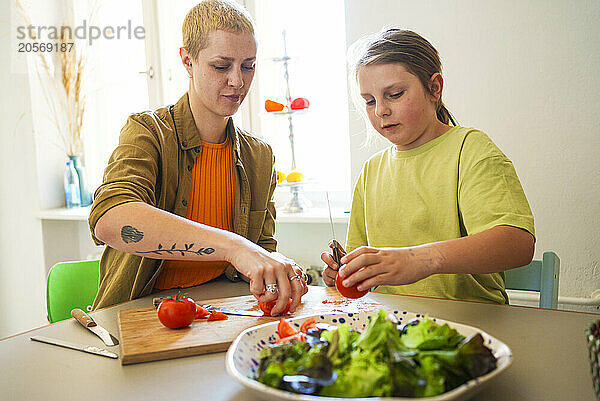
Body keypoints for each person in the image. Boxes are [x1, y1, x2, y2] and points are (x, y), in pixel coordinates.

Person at [89, 0, 307, 315]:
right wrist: (235, 246)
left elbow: (260, 254)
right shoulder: (147, 132)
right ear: (187, 61)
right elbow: (109, 219)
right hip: (136, 317)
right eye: (222, 66)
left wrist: (277, 271)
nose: (238, 81)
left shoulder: (260, 156)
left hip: (222, 314)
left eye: (248, 65)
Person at [321, 29, 535, 304]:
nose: (380, 111)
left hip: (470, 329)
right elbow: (364, 277)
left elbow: (517, 245)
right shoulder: (371, 171)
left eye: (395, 94)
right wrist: (345, 272)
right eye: (369, 101)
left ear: (434, 88)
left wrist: (419, 259)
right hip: (392, 328)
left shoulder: (470, 150)